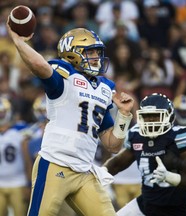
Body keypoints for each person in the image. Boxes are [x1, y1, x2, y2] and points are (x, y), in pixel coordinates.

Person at [7, 19, 134, 216]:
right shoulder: (64, 76)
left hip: (84, 171)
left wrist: (124, 116)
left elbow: (113, 144)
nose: (96, 57)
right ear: (72, 53)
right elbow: (38, 65)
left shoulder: (104, 88)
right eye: (90, 52)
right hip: (55, 163)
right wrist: (19, 42)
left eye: (97, 52)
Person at [103, 93, 186, 216]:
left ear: (169, 116)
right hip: (145, 205)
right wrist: (100, 174)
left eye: (155, 116)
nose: (150, 121)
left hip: (176, 210)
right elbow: (117, 164)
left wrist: (169, 177)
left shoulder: (179, 137)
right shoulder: (137, 135)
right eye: (147, 116)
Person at [0, 96, 28, 216]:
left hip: (18, 182)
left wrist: (28, 184)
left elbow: (27, 160)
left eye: (2, 113)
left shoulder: (19, 133)